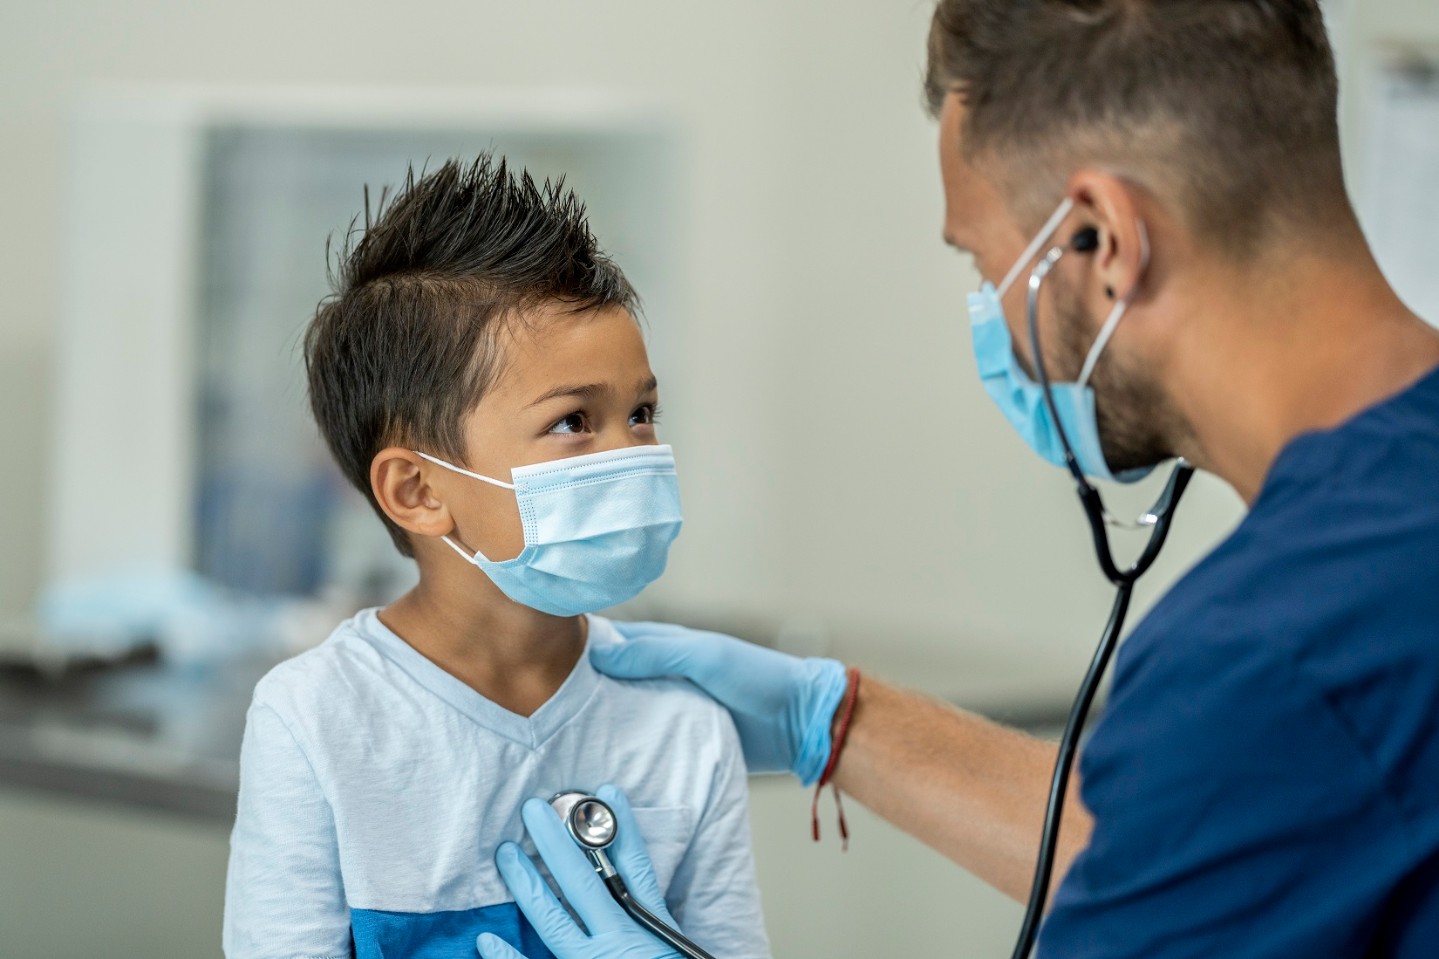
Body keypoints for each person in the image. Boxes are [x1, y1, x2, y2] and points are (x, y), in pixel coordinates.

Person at [481, 2, 1439, 957]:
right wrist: (833, 719)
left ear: (1104, 241)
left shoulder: (1281, 653)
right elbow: (1201, 851)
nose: (989, 315)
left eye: (985, 264)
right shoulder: (1367, 582)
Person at [222, 156, 772, 959]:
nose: (629, 454)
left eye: (642, 412)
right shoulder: (316, 718)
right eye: (572, 421)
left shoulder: (682, 722)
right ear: (415, 489)